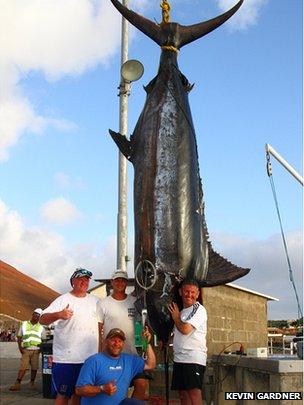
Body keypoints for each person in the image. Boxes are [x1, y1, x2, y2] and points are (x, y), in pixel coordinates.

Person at [40, 268, 102, 405]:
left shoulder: (96, 302)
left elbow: (101, 328)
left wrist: (100, 353)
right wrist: (59, 314)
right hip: (65, 360)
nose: (84, 282)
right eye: (80, 279)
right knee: (63, 395)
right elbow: (42, 319)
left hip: (89, 360)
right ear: (72, 281)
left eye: (86, 279)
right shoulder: (63, 300)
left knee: (79, 395)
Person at [99, 269, 149, 400]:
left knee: (141, 384)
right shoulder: (103, 303)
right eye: (117, 280)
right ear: (112, 282)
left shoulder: (135, 302)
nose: (120, 282)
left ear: (126, 283)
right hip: (111, 356)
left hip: (132, 354)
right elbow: (98, 330)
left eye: (123, 280)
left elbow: (142, 325)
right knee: (116, 389)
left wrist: (146, 342)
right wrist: (99, 353)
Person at [75, 327, 156, 404]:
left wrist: (147, 343)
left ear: (123, 344)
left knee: (134, 403)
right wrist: (101, 389)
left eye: (120, 341)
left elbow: (150, 365)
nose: (116, 343)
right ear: (106, 342)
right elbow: (79, 390)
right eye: (113, 340)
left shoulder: (129, 360)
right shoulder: (93, 361)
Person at [168, 279, 207, 405]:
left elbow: (185, 329)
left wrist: (175, 317)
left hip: (193, 358)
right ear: (180, 292)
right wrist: (166, 341)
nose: (189, 295)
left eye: (192, 292)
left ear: (198, 294)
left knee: (194, 394)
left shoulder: (199, 309)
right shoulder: (181, 312)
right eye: (186, 291)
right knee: (183, 395)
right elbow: (178, 333)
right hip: (179, 359)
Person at [9, 308, 45, 391]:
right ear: (32, 314)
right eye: (35, 314)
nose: (36, 316)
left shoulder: (41, 327)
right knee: (23, 367)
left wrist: (40, 350)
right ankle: (17, 384)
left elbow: (43, 340)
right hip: (26, 350)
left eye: (38, 315)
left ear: (40, 317)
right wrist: (20, 348)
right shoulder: (24, 324)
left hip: (36, 350)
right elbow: (19, 336)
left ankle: (31, 383)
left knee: (34, 368)